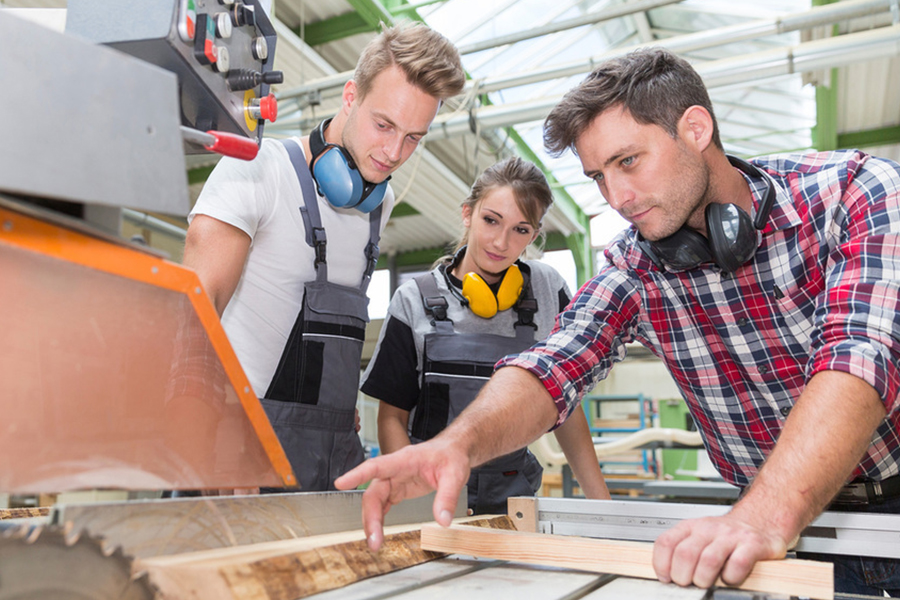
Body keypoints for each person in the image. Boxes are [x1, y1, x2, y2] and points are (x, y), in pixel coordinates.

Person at [335, 48, 900, 595]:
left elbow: (858, 358)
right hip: (786, 535)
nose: (617, 198)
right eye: (599, 177)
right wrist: (456, 446)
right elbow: (551, 367)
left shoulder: (854, 192)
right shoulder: (637, 261)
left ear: (696, 129)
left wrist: (761, 515)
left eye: (628, 161)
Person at [183, 22, 466, 492]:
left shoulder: (380, 203)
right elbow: (191, 315)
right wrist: (202, 443)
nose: (394, 152)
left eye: (414, 137)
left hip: (329, 457)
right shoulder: (258, 169)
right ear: (350, 96)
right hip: (235, 451)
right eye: (384, 125)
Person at [362, 156, 610, 515]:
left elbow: (565, 407)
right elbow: (391, 417)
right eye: (491, 220)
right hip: (430, 491)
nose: (500, 242)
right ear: (468, 214)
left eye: (520, 230)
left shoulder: (547, 291)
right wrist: (417, 496)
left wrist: (604, 508)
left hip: (513, 497)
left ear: (535, 235)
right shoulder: (414, 298)